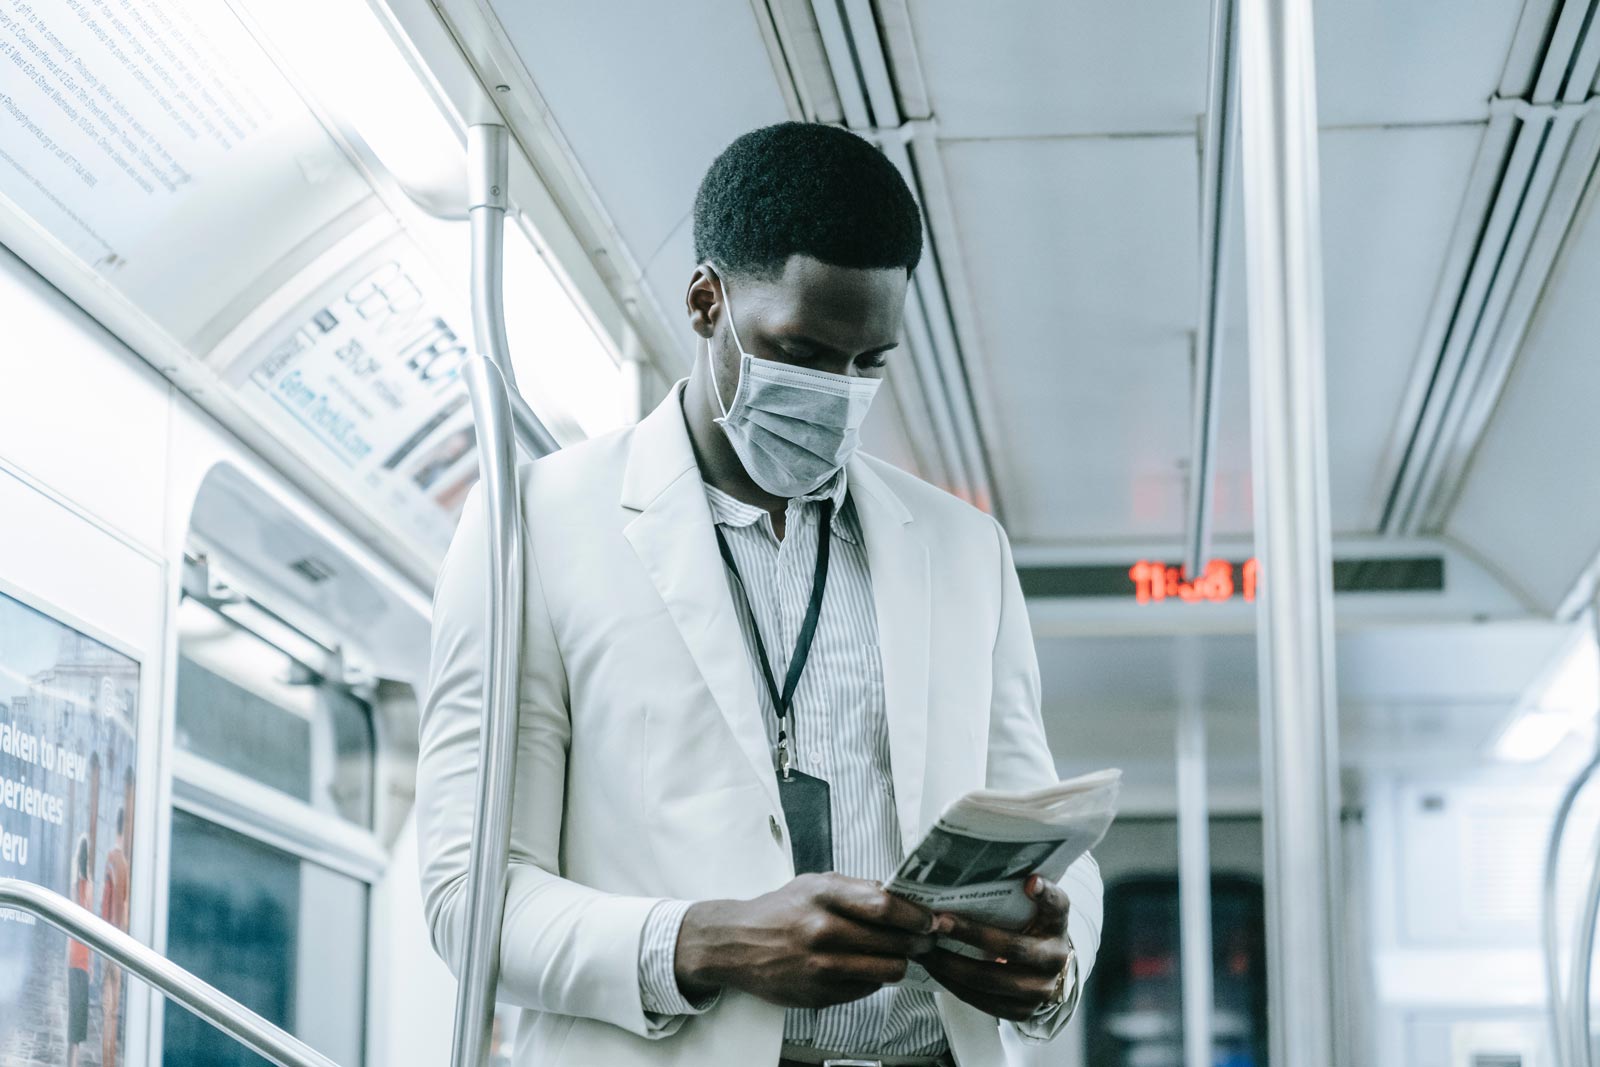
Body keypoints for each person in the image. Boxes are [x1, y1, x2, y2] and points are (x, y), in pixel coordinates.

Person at [418, 121, 1102, 1067]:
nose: (840, 394)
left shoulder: (961, 546)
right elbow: (471, 893)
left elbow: (1035, 825)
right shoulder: (536, 524)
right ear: (707, 302)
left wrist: (1051, 960)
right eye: (805, 352)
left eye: (870, 364)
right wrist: (711, 940)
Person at [100, 804, 130, 1067]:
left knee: (107, 1004)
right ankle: (108, 1060)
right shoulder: (121, 862)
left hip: (108, 934)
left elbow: (105, 900)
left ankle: (106, 1056)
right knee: (113, 1009)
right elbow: (121, 906)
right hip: (117, 939)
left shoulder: (111, 858)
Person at [67, 834, 92, 1067]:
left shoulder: (76, 887)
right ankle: (73, 1061)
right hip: (84, 956)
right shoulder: (90, 888)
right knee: (80, 1012)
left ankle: (71, 1059)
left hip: (74, 954)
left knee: (74, 1007)